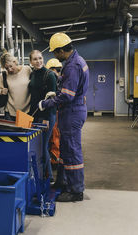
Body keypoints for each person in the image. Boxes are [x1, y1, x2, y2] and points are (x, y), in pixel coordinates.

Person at [38, 32, 89, 202]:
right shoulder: (76, 61)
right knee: (65, 150)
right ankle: (63, 182)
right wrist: (56, 93)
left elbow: (67, 96)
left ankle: (76, 191)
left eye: (54, 52)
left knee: (72, 151)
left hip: (72, 112)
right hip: (73, 111)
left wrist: (47, 103)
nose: (54, 56)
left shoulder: (73, 65)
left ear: (61, 50)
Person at [28, 50, 57, 181]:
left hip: (47, 115)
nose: (38, 61)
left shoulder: (49, 75)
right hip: (34, 114)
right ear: (30, 62)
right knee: (38, 146)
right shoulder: (33, 74)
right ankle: (43, 174)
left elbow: (52, 100)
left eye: (40, 58)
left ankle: (48, 177)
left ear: (43, 59)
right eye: (35, 59)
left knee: (43, 146)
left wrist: (46, 118)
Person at [0, 52, 31, 121]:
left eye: (11, 66)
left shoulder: (27, 70)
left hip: (27, 111)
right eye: (6, 68)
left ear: (15, 62)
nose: (9, 70)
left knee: (25, 131)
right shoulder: (3, 76)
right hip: (10, 113)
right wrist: (1, 92)